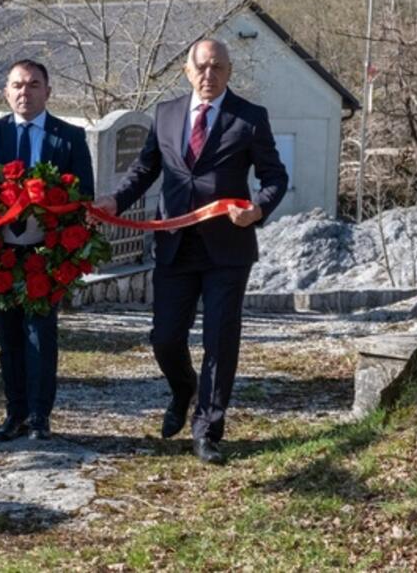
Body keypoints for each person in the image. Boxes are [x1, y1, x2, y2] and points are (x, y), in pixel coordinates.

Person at [94, 39, 287, 464]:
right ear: (186, 71)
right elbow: (146, 169)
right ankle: (184, 387)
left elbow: (275, 176)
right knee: (165, 338)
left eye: (217, 67)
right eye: (201, 66)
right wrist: (115, 201)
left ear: (229, 71)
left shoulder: (250, 119)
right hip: (174, 245)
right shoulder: (165, 114)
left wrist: (258, 210)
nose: (208, 74)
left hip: (227, 250)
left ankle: (207, 430)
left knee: (220, 339)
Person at [0, 59, 94, 442]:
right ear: (6, 92)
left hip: (46, 253)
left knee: (40, 335)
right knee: (8, 338)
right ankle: (14, 412)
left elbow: (82, 195)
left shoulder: (68, 137)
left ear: (48, 91)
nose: (25, 91)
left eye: (34, 84)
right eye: (18, 85)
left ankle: (39, 416)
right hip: (0, 253)